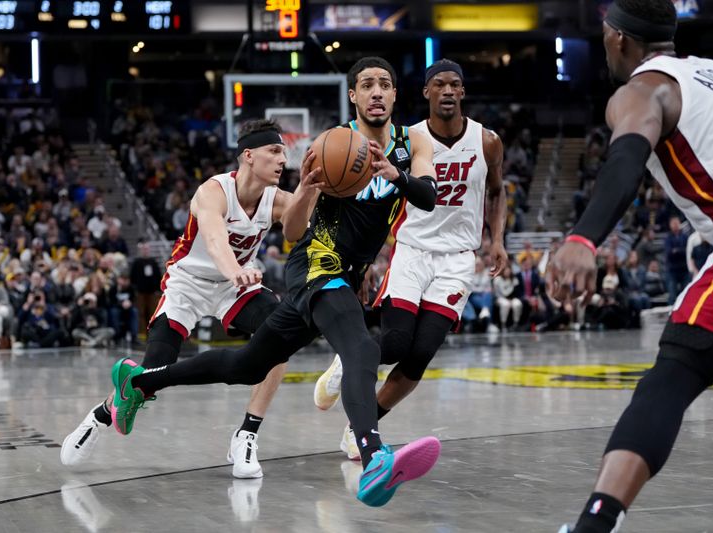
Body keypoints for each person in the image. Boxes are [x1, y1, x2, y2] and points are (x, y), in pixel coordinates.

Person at [104, 57, 441, 507]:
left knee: (246, 366)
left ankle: (141, 384)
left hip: (348, 272)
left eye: (385, 83)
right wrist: (308, 191)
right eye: (367, 85)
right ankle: (374, 456)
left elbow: (429, 197)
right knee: (361, 348)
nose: (376, 91)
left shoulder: (413, 142)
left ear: (396, 95)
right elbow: (295, 231)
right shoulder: (331, 145)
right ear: (353, 96)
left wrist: (394, 175)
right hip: (316, 264)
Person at [549, 1, 713, 531]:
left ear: (619, 39)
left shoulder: (642, 90)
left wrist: (584, 237)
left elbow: (626, 158)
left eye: (605, 33)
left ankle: (594, 525)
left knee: (672, 376)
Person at [61, 119, 293, 480]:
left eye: (284, 152)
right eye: (275, 151)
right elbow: (215, 239)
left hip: (235, 285)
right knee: (153, 369)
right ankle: (101, 415)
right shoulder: (213, 191)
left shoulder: (277, 200)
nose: (283, 159)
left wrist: (313, 188)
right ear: (249, 155)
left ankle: (246, 433)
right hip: (189, 282)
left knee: (281, 334)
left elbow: (307, 222)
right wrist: (235, 270)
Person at [313, 59, 507, 458]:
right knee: (398, 342)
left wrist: (498, 239)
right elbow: (371, 200)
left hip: (457, 259)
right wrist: (363, 259)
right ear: (426, 93)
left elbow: (497, 191)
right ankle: (349, 358)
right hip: (413, 249)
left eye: (455, 84)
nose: (448, 91)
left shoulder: (487, 141)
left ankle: (360, 426)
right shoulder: (409, 139)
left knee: (419, 356)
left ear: (463, 92)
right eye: (440, 85)